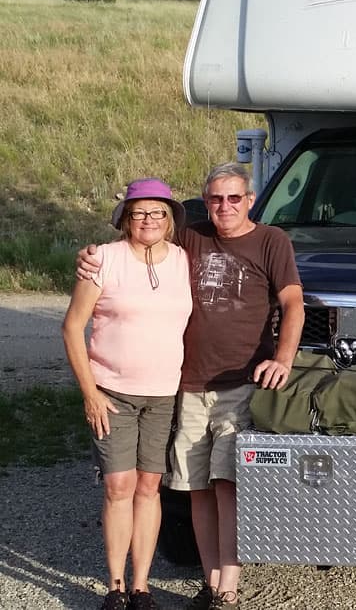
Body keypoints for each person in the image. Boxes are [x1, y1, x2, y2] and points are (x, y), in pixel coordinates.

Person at [78, 163, 305, 610]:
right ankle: (209, 581)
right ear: (206, 202)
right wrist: (90, 256)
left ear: (250, 199)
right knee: (196, 486)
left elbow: (293, 302)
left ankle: (228, 590)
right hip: (186, 384)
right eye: (216, 199)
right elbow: (142, 237)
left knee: (227, 485)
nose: (225, 207)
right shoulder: (191, 237)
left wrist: (283, 357)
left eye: (234, 198)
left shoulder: (272, 241)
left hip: (240, 383)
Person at [64, 178, 193, 610]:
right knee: (119, 486)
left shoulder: (182, 260)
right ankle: (115, 586)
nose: (148, 220)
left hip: (163, 393)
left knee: (150, 487)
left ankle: (142, 586)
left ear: (170, 219)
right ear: (124, 219)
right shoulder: (103, 260)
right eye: (138, 213)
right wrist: (90, 394)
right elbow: (71, 327)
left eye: (158, 212)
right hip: (112, 391)